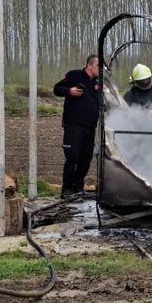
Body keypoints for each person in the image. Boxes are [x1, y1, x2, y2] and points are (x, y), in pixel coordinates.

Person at [52, 54, 102, 198]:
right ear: (89, 65)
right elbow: (57, 89)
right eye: (98, 65)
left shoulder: (98, 84)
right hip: (74, 125)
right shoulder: (74, 75)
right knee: (72, 156)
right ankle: (67, 189)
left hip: (90, 127)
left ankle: (78, 187)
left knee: (86, 159)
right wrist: (69, 91)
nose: (100, 69)